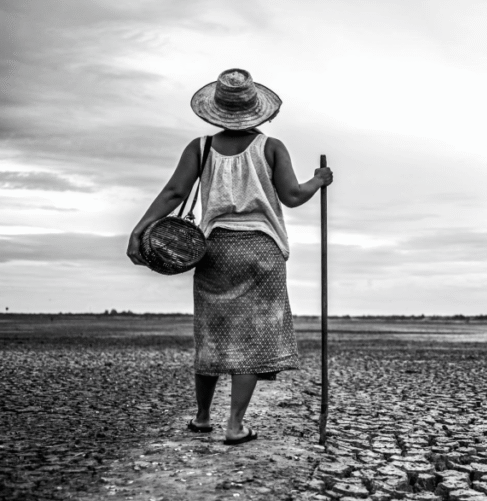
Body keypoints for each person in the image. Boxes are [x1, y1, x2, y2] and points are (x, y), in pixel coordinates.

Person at [127, 68, 333, 445]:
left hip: (214, 249)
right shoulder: (271, 147)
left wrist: (141, 228)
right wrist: (318, 181)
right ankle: (235, 425)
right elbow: (291, 195)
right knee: (252, 340)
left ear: (216, 110)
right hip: (262, 250)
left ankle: (203, 417)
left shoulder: (200, 147)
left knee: (210, 333)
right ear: (258, 110)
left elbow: (175, 192)